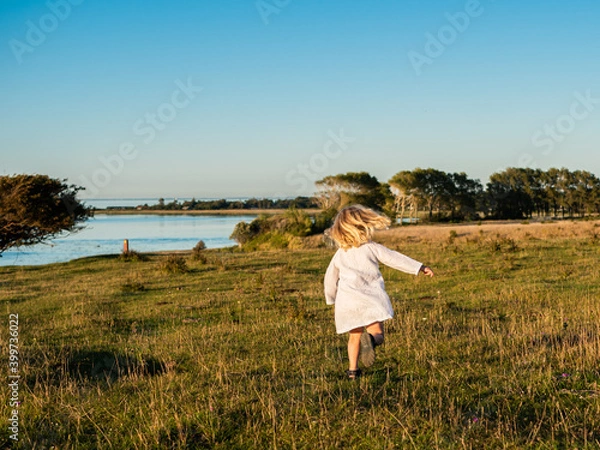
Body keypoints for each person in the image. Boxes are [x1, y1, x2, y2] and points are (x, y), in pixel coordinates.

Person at [324, 205, 434, 379]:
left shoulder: (340, 254)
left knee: (354, 338)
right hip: (370, 299)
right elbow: (394, 258)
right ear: (364, 225)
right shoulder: (371, 247)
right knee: (378, 333)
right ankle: (372, 341)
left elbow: (330, 278)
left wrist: (331, 298)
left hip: (347, 302)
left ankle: (353, 371)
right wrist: (419, 267)